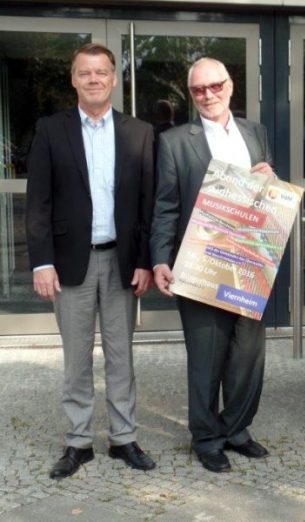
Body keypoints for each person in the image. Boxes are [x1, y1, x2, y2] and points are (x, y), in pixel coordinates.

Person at [26, 43, 156, 479]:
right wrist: (41, 262)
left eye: (102, 72)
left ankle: (123, 438)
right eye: (86, 73)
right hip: (69, 265)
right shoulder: (50, 129)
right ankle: (78, 442)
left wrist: (143, 260)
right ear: (74, 79)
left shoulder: (138, 132)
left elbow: (146, 204)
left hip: (121, 262)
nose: (95, 79)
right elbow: (38, 202)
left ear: (114, 78)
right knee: (77, 357)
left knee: (122, 356)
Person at [150, 57, 274, 473]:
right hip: (199, 264)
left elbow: (266, 195)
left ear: (230, 86)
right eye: (199, 90)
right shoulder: (174, 141)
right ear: (192, 94)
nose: (208, 95)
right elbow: (165, 206)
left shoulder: (255, 133)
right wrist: (159, 260)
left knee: (247, 354)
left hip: (251, 261)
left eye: (215, 86)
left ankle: (237, 429)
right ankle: (206, 438)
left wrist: (270, 180)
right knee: (206, 355)